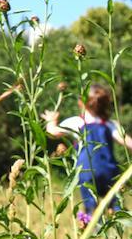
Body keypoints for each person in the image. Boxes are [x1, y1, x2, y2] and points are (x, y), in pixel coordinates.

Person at [44, 84, 132, 215]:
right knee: (116, 206)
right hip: (110, 171)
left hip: (86, 171)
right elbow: (129, 144)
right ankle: (119, 230)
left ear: (81, 102)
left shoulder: (77, 122)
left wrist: (51, 120)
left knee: (91, 208)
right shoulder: (111, 124)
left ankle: (94, 231)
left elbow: (52, 132)